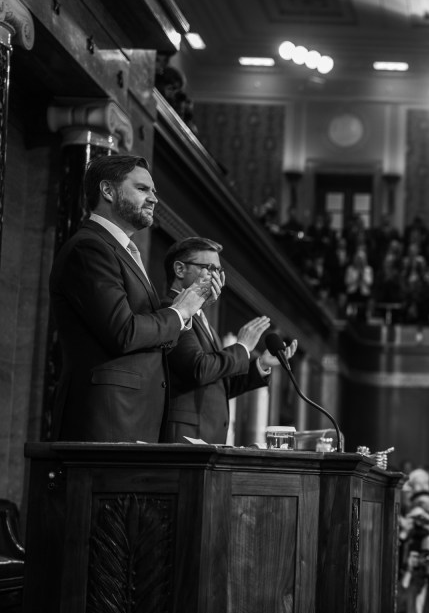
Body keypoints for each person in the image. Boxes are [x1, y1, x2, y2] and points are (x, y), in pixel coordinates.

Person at [48, 155, 208, 442]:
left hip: (133, 419)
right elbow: (124, 332)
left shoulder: (125, 251)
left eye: (154, 191)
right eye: (143, 189)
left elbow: (149, 342)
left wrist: (188, 309)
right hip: (106, 420)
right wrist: (178, 312)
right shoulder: (90, 248)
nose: (154, 199)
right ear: (108, 191)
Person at [161, 237, 296, 444]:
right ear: (180, 270)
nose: (216, 277)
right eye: (209, 268)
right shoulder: (170, 310)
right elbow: (198, 369)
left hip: (206, 438)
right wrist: (241, 347)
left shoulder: (199, 315)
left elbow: (218, 383)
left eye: (219, 270)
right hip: (184, 439)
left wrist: (260, 365)